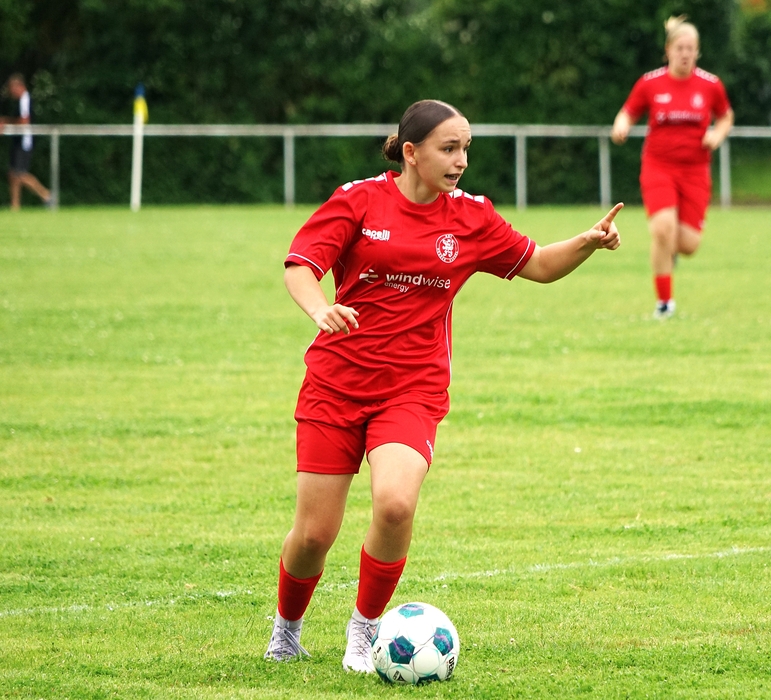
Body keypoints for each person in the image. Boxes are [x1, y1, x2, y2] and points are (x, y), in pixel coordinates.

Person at [265, 99, 622, 672]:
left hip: (412, 389)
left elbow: (538, 264)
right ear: (411, 152)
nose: (461, 161)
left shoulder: (472, 217)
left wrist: (587, 241)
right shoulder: (358, 201)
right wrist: (318, 309)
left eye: (465, 149)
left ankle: (365, 631)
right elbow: (300, 266)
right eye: (449, 148)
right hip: (335, 385)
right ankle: (286, 632)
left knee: (395, 504)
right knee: (313, 536)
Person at [611, 16, 734, 319]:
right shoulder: (650, 83)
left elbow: (725, 116)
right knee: (662, 230)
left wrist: (716, 136)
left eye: (691, 49)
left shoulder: (710, 85)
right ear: (668, 50)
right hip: (659, 167)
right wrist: (621, 127)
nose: (685, 54)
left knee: (689, 245)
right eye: (680, 48)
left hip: (695, 171)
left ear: (697, 52)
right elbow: (627, 112)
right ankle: (664, 303)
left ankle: (671, 252)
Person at [1, 74, 52, 210]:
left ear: (19, 86)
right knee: (13, 174)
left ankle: (46, 195)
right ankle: (15, 206)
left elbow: (24, 121)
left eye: (11, 88)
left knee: (19, 174)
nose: (10, 92)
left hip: (24, 141)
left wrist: (5, 123)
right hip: (18, 140)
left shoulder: (25, 99)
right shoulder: (20, 101)